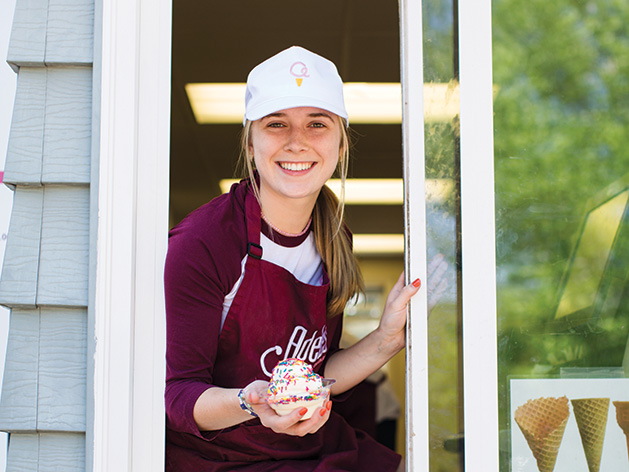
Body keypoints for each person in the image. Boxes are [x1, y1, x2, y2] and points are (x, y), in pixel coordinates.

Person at [164, 46, 423, 472]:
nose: (297, 141)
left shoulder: (334, 235)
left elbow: (317, 375)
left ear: (341, 144)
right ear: (251, 143)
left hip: (306, 452)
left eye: (317, 124)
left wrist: (387, 339)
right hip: (219, 461)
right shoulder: (205, 241)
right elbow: (178, 396)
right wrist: (253, 402)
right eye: (276, 123)